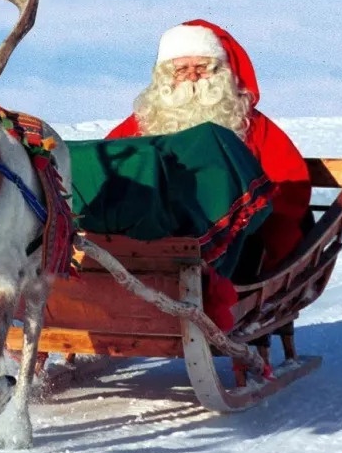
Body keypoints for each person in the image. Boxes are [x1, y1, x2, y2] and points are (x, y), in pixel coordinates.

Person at [107, 19, 311, 275]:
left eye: (202, 67)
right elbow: (108, 164)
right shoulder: (142, 123)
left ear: (221, 72)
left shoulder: (251, 124)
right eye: (181, 69)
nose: (192, 76)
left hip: (229, 239)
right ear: (164, 75)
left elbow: (289, 181)